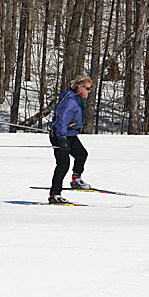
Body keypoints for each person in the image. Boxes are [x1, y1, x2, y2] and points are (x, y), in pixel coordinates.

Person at [49, 75, 93, 204]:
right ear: (79, 88)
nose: (89, 92)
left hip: (70, 134)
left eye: (90, 89)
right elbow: (62, 122)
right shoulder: (70, 102)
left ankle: (76, 180)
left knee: (81, 154)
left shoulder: (78, 99)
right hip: (59, 135)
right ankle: (54, 195)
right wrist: (62, 139)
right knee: (63, 165)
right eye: (87, 89)